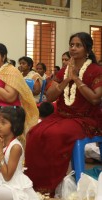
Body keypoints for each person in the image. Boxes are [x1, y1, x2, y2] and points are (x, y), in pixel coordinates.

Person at [25, 32, 102, 196]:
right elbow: (50, 96)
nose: (73, 48)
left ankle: (50, 184)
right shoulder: (66, 70)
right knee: (34, 133)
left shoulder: (96, 70)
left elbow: (95, 99)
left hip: (85, 119)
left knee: (55, 135)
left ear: (87, 50)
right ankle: (35, 181)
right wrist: (67, 79)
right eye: (71, 45)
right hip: (61, 115)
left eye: (78, 45)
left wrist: (77, 79)